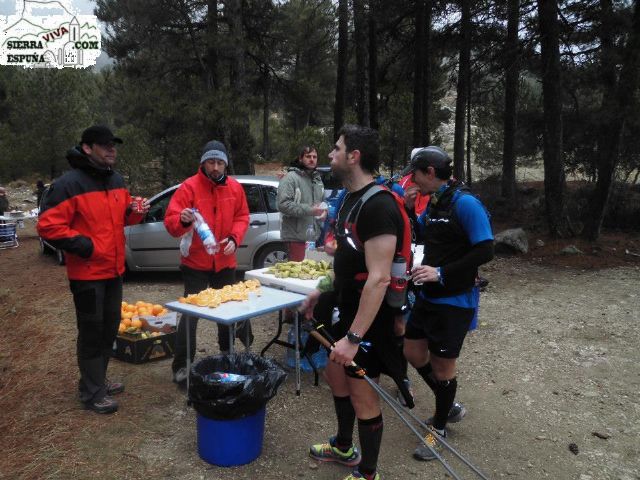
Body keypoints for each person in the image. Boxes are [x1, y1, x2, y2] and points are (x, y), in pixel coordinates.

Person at [301, 124, 407, 480]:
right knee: (335, 373)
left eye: (336, 148)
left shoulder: (379, 206)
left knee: (363, 394)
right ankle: (344, 446)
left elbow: (379, 277)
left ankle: (368, 474)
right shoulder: (350, 197)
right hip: (344, 303)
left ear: (354, 156)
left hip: (368, 317)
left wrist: (354, 338)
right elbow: (346, 257)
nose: (330, 154)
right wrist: (322, 288)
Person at [37, 125, 148, 414]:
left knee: (110, 328)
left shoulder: (116, 180)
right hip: (86, 274)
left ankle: (97, 379)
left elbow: (125, 218)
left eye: (113, 144)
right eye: (104, 145)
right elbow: (47, 226)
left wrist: (137, 211)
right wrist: (84, 245)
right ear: (87, 148)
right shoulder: (69, 184)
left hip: (113, 271)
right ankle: (91, 392)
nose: (112, 149)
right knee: (91, 331)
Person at [402, 146, 494, 460]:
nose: (410, 180)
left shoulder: (465, 203)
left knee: (443, 368)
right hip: (429, 295)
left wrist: (441, 271)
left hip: (455, 300)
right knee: (412, 351)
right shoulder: (436, 202)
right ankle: (449, 403)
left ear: (429, 172)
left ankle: (439, 428)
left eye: (414, 173)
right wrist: (411, 211)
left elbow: (485, 250)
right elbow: (424, 238)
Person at [164, 140, 250, 388]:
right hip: (195, 263)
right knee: (191, 315)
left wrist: (235, 237)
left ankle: (227, 355)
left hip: (225, 261)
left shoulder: (234, 188)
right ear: (203, 163)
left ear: (225, 163)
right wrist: (181, 218)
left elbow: (242, 216)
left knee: (228, 312)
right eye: (211, 162)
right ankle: (182, 365)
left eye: (219, 162)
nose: (215, 167)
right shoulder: (188, 187)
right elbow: (171, 222)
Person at [277, 145, 326, 262]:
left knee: (311, 274)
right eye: (308, 156)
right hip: (295, 238)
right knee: (298, 275)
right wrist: (310, 210)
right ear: (300, 159)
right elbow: (283, 205)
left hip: (314, 237)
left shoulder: (317, 180)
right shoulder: (290, 178)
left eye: (315, 157)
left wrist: (324, 211)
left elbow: (322, 202)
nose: (312, 159)